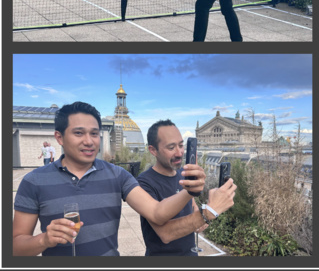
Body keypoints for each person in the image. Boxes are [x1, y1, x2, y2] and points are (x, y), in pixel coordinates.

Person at [13, 102, 208, 256]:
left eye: (95, 133)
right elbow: (15, 246)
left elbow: (157, 213)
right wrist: (44, 240)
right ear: (60, 137)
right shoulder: (34, 181)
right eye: (79, 133)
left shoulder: (118, 175)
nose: (89, 141)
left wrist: (189, 191)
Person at [138, 120, 236, 256]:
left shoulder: (183, 174)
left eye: (181, 145)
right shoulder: (144, 182)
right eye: (171, 148)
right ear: (153, 150)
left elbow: (192, 206)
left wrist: (201, 219)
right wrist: (208, 213)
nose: (179, 153)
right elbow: (165, 234)